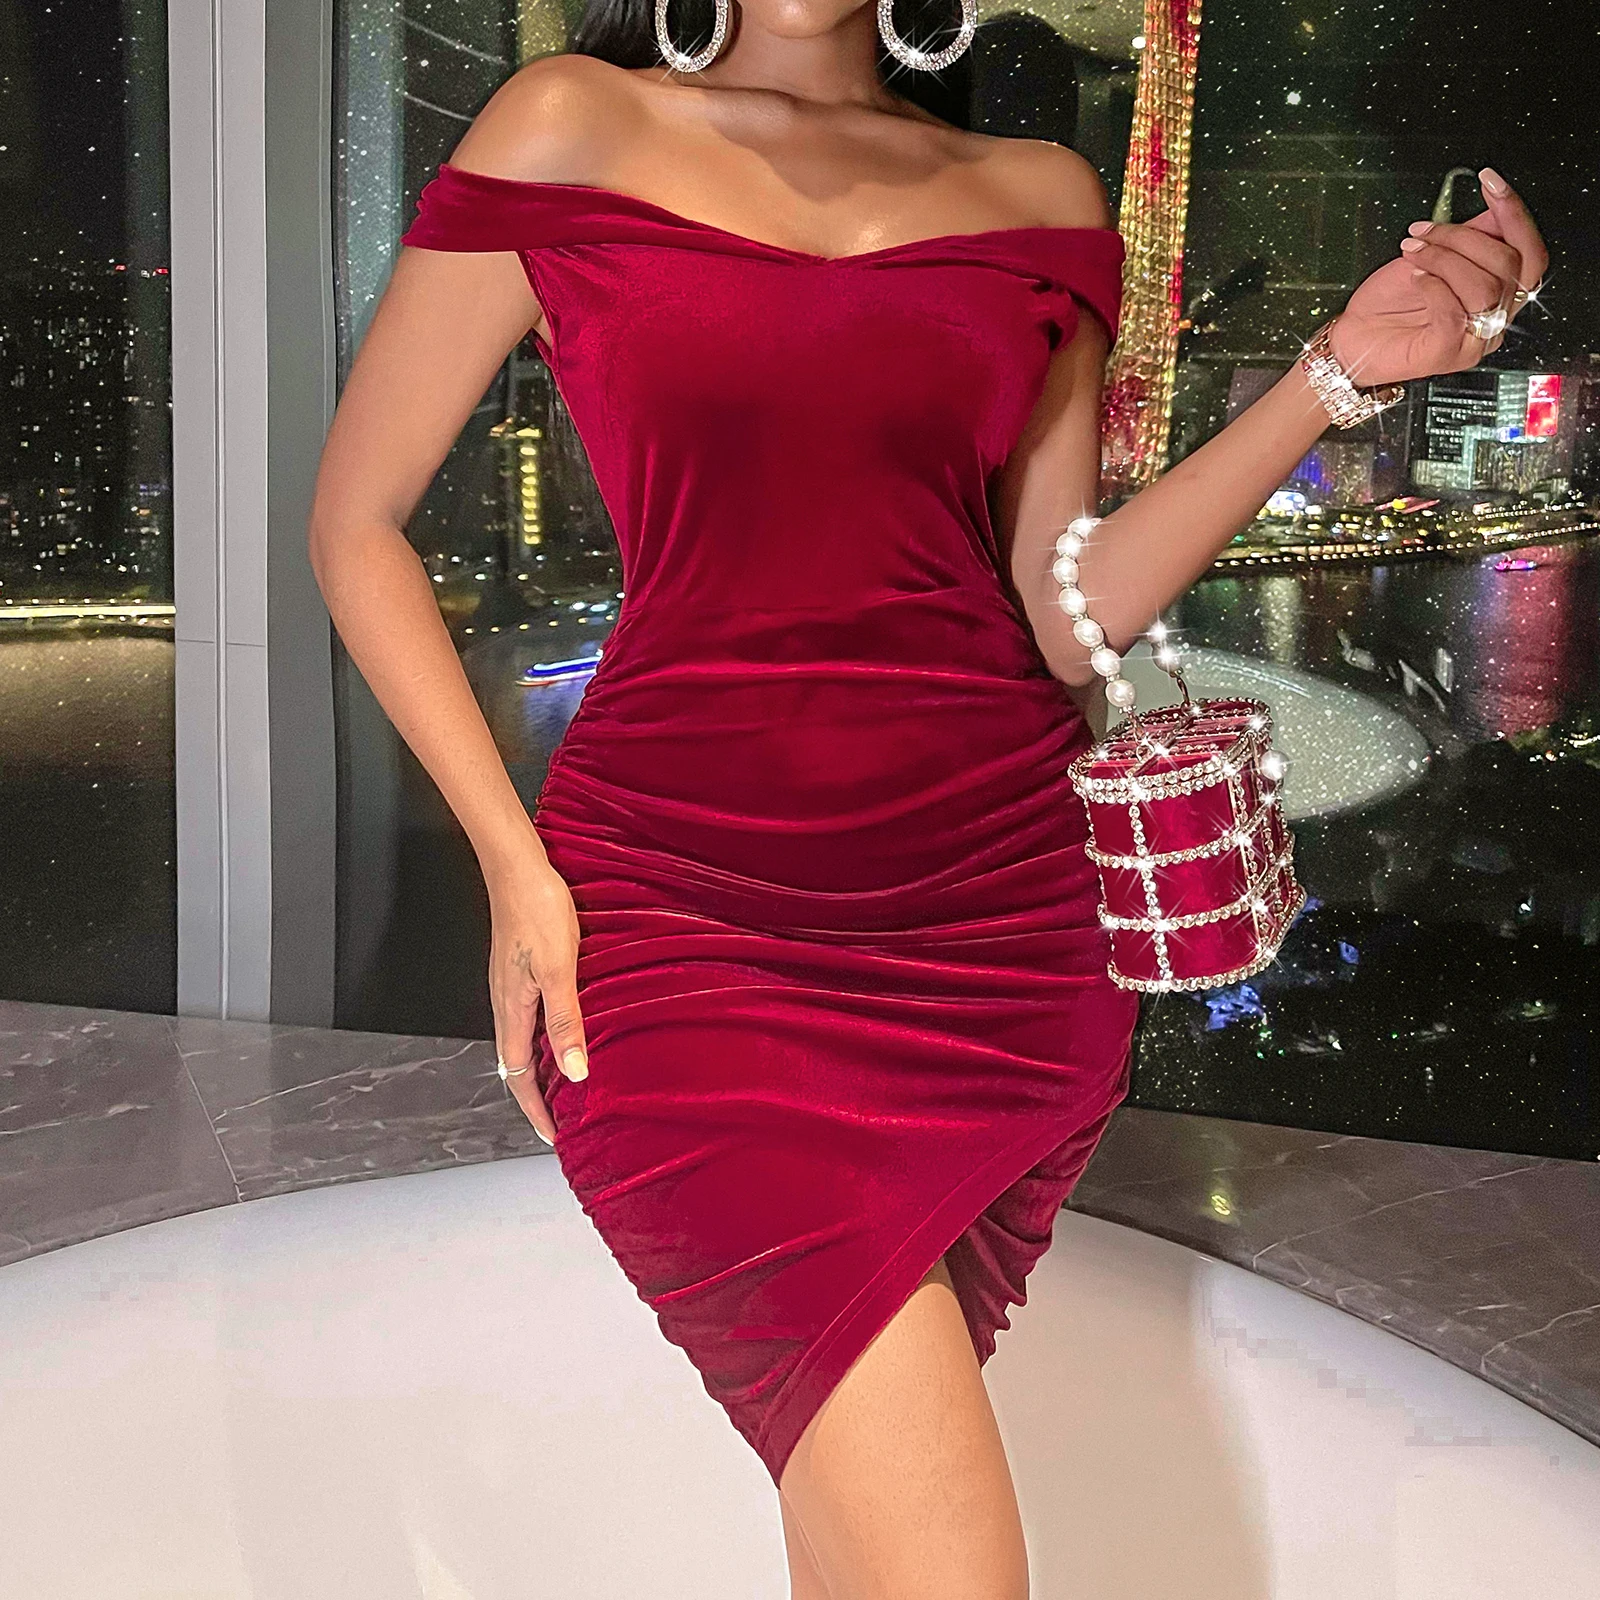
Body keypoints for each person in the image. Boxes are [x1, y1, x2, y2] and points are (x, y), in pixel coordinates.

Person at [306, 0, 1547, 1586]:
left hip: (1002, 942)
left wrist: (1335, 377)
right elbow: (355, 523)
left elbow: (1062, 613)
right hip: (681, 925)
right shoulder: (570, 125)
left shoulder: (1039, 195)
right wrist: (512, 865)